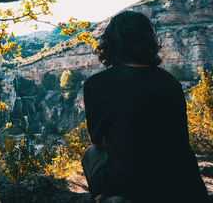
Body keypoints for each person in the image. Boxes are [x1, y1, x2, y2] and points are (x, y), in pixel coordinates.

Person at [81, 11, 209, 202]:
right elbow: (179, 136)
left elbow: (97, 142)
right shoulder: (170, 82)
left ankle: (109, 198)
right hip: (186, 185)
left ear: (110, 43)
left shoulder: (96, 84)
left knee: (91, 154)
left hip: (130, 183)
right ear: (149, 42)